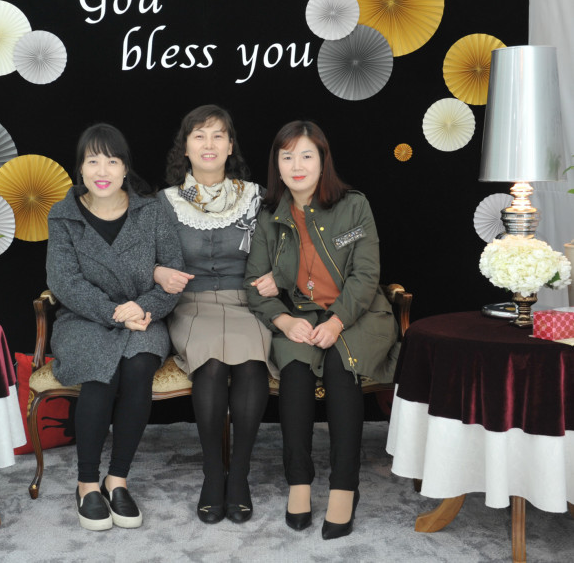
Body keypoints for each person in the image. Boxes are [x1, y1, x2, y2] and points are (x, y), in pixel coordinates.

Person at [244, 120, 398, 539]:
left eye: (306, 156)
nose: (297, 166)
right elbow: (254, 283)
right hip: (301, 317)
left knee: (339, 371)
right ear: (277, 164)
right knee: (295, 375)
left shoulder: (353, 206)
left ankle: (345, 487)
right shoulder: (269, 217)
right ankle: (298, 482)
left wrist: (337, 321)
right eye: (287, 157)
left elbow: (366, 275)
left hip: (358, 315)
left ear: (323, 160)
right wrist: (283, 319)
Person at [46, 123, 183, 531]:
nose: (102, 170)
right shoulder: (64, 215)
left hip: (145, 317)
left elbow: (173, 275)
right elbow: (64, 282)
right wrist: (114, 313)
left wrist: (142, 307)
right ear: (80, 168)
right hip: (84, 318)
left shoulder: (152, 210)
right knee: (100, 372)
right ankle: (87, 483)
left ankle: (117, 479)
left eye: (112, 161)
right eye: (93, 161)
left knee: (138, 367)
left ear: (125, 168)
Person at [155, 104, 278, 525]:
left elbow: (288, 248)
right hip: (191, 306)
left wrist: (278, 275)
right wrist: (156, 271)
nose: (209, 144)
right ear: (186, 148)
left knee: (251, 366)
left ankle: (238, 476)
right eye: (199, 135)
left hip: (248, 304)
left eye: (218, 135)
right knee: (209, 366)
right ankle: (213, 475)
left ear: (230, 146)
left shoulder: (257, 197)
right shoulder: (166, 202)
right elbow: (143, 257)